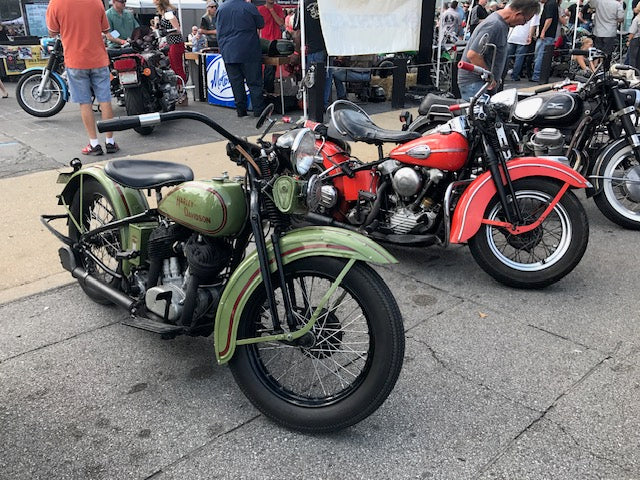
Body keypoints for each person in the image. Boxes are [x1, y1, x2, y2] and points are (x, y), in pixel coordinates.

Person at [46, 0, 119, 155]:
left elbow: (52, 31)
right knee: (105, 100)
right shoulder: (96, 2)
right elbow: (105, 28)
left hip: (75, 60)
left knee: (84, 102)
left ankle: (94, 144)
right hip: (99, 59)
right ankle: (110, 142)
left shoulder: (56, 3)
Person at [457, 0, 541, 100]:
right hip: (475, 83)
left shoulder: (500, 23)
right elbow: (473, 54)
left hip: (479, 83)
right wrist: (489, 77)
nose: (523, 24)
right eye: (525, 20)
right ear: (518, 14)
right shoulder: (495, 25)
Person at [216, 0, 265, 117]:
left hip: (228, 51)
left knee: (236, 83)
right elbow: (261, 24)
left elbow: (218, 29)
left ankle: (241, 111)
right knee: (254, 83)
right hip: (249, 50)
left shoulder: (221, 9)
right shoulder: (249, 7)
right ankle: (259, 112)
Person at [294, 0, 332, 109]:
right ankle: (323, 106)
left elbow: (297, 31)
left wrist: (296, 52)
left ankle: (315, 109)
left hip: (314, 48)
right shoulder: (328, 4)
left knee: (313, 81)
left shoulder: (302, 4)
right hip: (329, 47)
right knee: (327, 78)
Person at [154, 0, 187, 104]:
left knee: (177, 67)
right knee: (174, 67)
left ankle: (182, 91)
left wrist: (166, 31)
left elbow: (177, 29)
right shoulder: (165, 13)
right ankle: (179, 90)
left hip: (175, 42)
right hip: (172, 43)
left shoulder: (168, 13)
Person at [258, 0, 285, 94]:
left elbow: (281, 23)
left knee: (271, 67)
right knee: (267, 67)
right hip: (265, 41)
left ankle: (268, 89)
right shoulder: (260, 9)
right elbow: (258, 27)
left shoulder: (278, 8)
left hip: (276, 41)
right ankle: (267, 89)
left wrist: (272, 10)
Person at [504, 13, 539, 81]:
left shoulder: (519, 8)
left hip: (512, 36)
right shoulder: (534, 13)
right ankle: (515, 76)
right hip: (523, 37)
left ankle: (502, 74)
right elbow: (532, 26)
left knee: (507, 57)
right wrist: (530, 37)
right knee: (519, 58)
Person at [531, 0, 559, 82]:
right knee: (540, 55)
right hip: (547, 35)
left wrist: (543, 31)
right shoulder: (551, 3)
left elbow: (549, 19)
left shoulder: (550, 4)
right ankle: (537, 75)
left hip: (546, 35)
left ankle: (537, 75)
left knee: (541, 55)